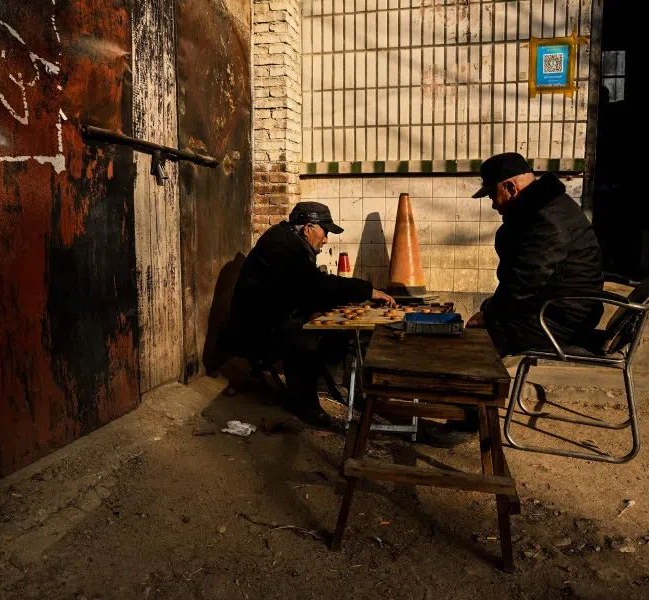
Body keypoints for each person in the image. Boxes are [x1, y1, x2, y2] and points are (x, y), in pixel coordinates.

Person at [428, 152, 604, 447]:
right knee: (485, 320)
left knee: (477, 340)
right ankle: (472, 413)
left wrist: (492, 315)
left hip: (560, 318)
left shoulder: (548, 219)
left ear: (510, 188)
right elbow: (522, 279)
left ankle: (467, 423)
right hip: (563, 308)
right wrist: (494, 307)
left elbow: (526, 280)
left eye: (493, 195)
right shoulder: (545, 208)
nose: (494, 204)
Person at [228, 201, 396, 426]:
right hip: (255, 332)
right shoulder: (284, 246)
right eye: (324, 232)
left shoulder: (288, 241)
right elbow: (315, 285)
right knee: (303, 339)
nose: (326, 239)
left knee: (330, 331)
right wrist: (367, 290)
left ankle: (326, 385)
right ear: (308, 228)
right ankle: (307, 408)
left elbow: (301, 288)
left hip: (271, 317)